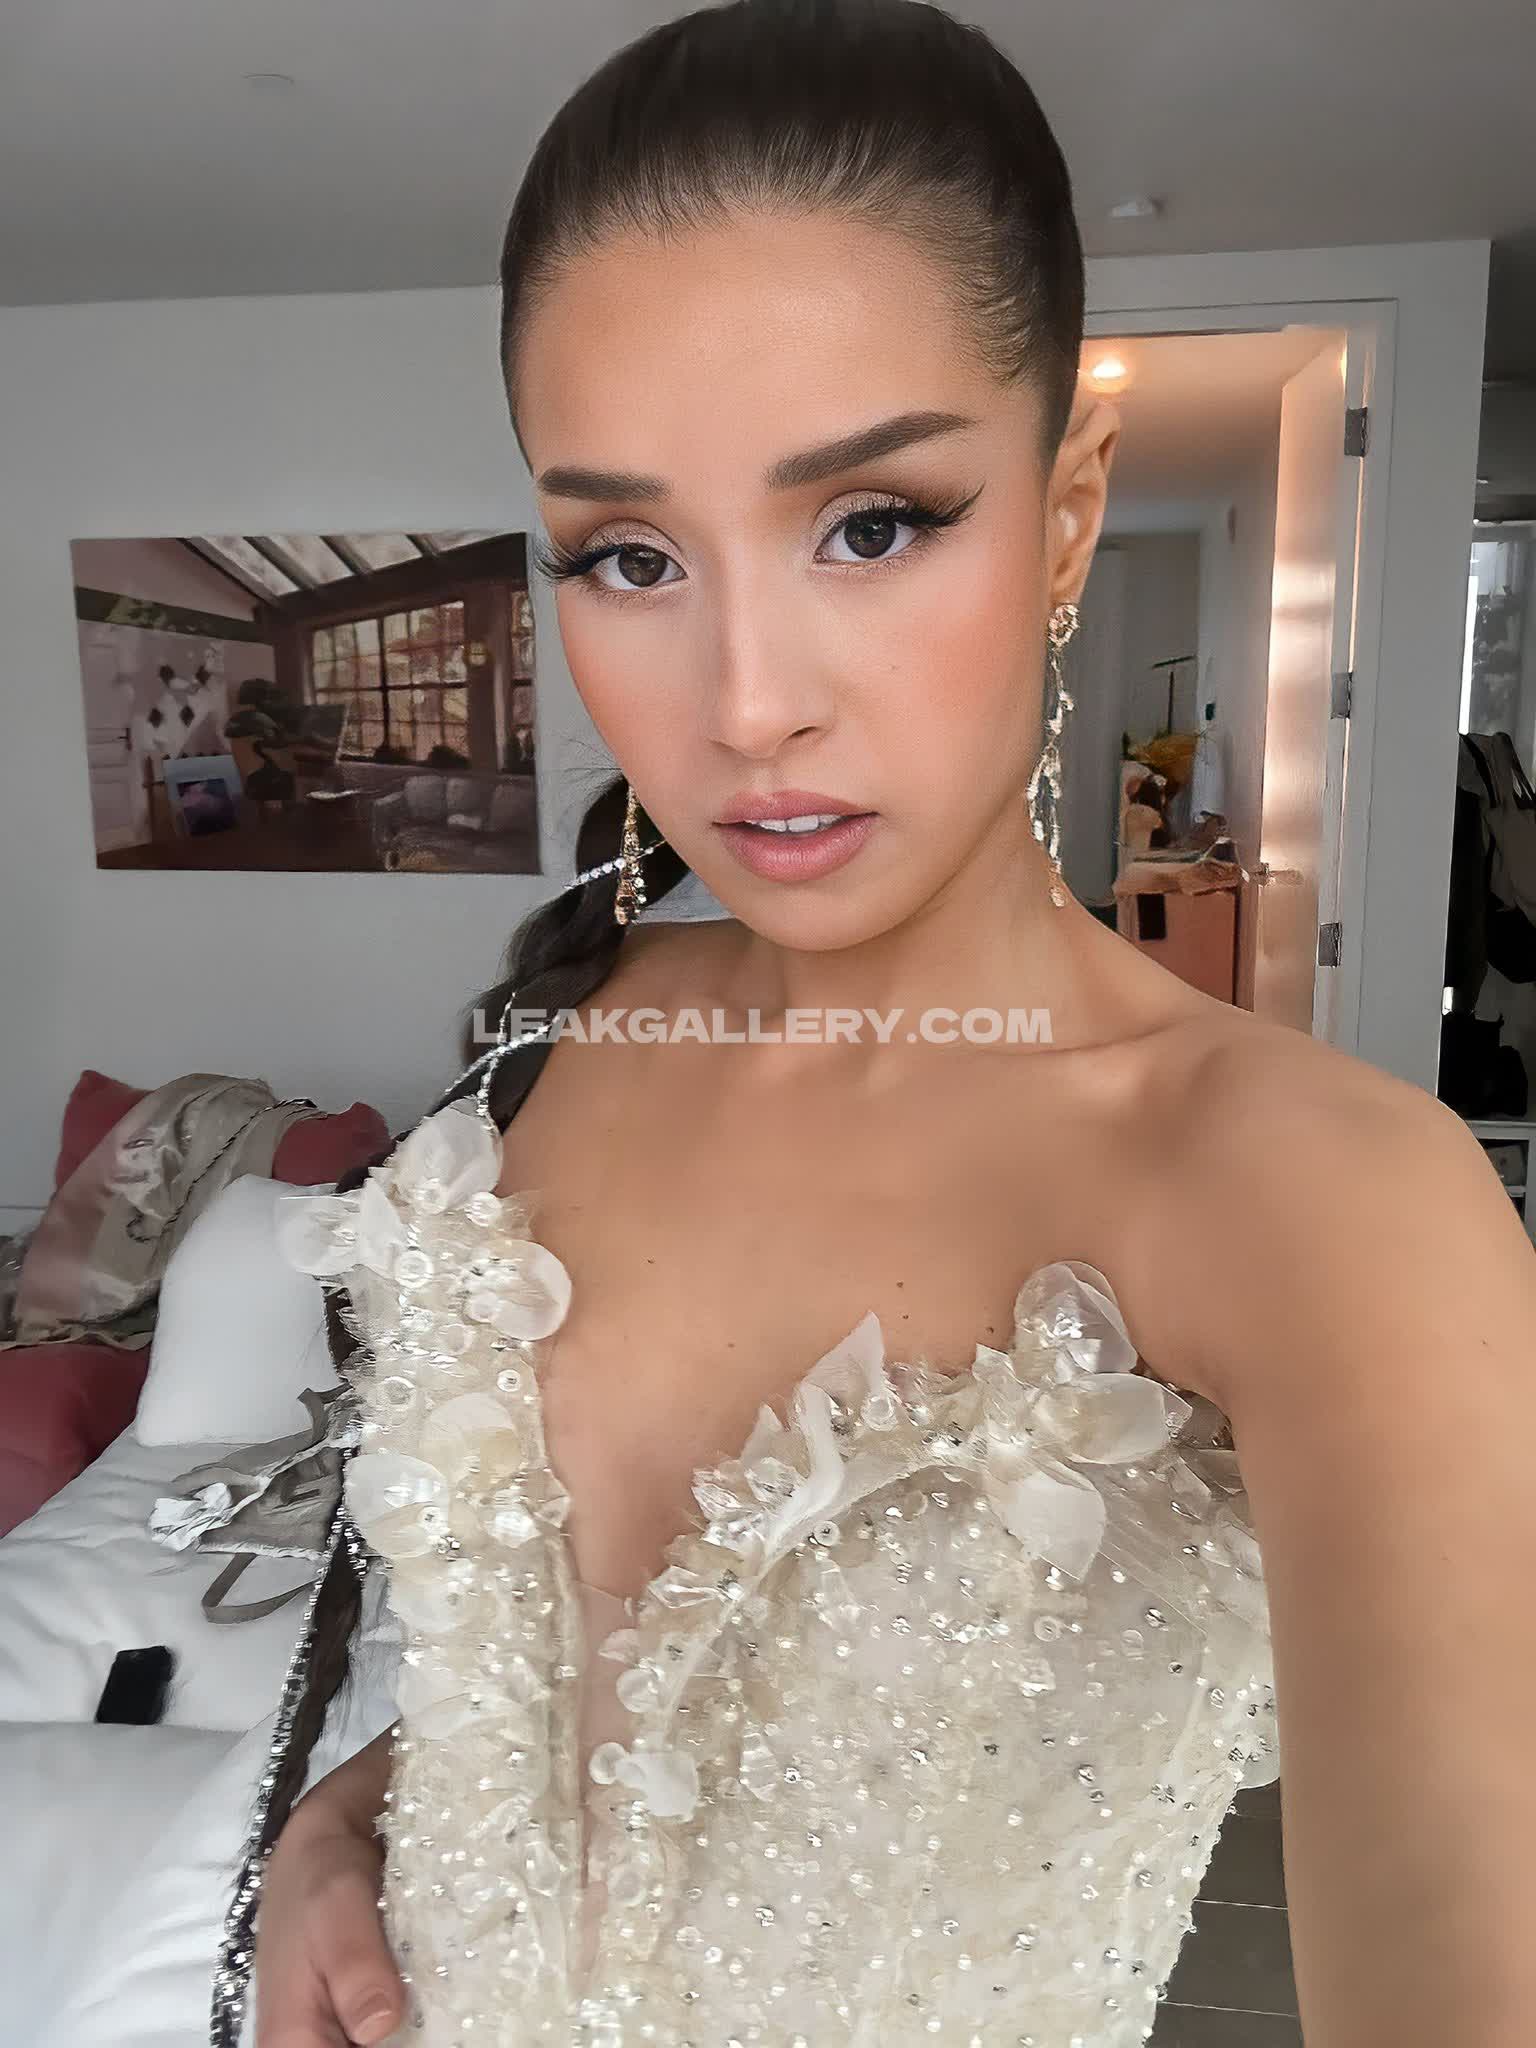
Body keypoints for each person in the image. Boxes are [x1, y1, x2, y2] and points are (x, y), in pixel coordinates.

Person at [237, 3, 1536, 2043]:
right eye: (630, 556)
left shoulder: (1323, 1206)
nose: (747, 702)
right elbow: (570, 1674)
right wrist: (347, 1819)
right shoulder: (574, 1037)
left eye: (871, 524)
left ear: (1069, 511)